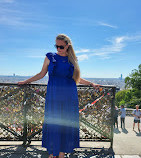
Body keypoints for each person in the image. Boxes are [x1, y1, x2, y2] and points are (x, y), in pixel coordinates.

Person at [18, 34, 100, 158]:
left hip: (69, 96)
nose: (58, 49)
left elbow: (77, 78)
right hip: (53, 96)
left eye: (61, 46)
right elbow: (41, 74)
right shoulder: (50, 57)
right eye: (56, 46)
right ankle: (53, 152)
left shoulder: (72, 60)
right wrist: (26, 81)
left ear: (67, 46)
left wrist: (91, 83)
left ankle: (61, 152)